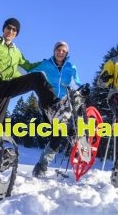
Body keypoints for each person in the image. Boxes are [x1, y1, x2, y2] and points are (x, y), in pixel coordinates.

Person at [0, 19, 71, 128]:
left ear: (16, 34)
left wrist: (48, 62)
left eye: (14, 30)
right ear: (4, 28)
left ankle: (54, 108)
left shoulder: (16, 52)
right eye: (9, 27)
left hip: (8, 87)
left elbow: (29, 67)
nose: (11, 31)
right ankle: (55, 108)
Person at [29, 41, 82, 177]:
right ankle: (71, 133)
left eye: (64, 51)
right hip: (48, 103)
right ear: (54, 51)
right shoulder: (46, 64)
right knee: (57, 133)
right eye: (58, 50)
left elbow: (76, 83)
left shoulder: (71, 66)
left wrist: (82, 89)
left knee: (57, 136)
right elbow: (31, 74)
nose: (60, 52)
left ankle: (41, 166)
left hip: (63, 105)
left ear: (67, 53)